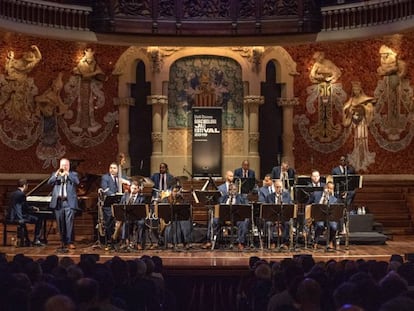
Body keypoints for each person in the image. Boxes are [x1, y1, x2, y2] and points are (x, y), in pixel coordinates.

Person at [48, 158, 80, 250]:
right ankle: (62, 241)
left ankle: (70, 242)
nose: (64, 167)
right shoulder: (55, 174)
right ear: (59, 166)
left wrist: (67, 174)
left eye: (66, 165)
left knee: (69, 223)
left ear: (69, 166)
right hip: (58, 202)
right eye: (62, 165)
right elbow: (49, 182)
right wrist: (57, 174)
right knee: (60, 223)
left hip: (69, 202)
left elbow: (77, 182)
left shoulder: (73, 174)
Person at [100, 162, 130, 248]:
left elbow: (131, 183)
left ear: (118, 170)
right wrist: (114, 194)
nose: (112, 170)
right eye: (111, 168)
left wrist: (125, 181)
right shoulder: (105, 177)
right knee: (109, 222)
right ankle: (110, 240)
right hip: (109, 204)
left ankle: (122, 240)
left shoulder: (121, 176)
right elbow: (105, 189)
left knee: (123, 221)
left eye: (114, 168)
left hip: (119, 204)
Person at [8, 178, 44, 246]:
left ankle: (27, 239)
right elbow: (25, 208)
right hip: (19, 216)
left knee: (27, 218)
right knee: (38, 219)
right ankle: (36, 239)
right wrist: (33, 208)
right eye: (27, 186)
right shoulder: (21, 195)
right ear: (25, 186)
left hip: (11, 216)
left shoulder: (12, 194)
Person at [307, 181, 339, 249]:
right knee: (320, 225)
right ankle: (315, 241)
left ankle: (330, 242)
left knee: (334, 227)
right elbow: (309, 205)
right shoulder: (316, 194)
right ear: (325, 187)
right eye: (328, 188)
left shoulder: (334, 199)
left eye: (331, 189)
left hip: (329, 217)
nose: (329, 190)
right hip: (318, 216)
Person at [218, 182, 250, 250]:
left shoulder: (242, 198)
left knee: (245, 221)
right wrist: (225, 219)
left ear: (237, 190)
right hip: (224, 218)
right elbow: (219, 209)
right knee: (213, 220)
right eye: (230, 189)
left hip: (237, 218)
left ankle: (240, 242)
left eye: (234, 189)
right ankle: (211, 241)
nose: (232, 191)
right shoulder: (222, 198)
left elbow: (246, 210)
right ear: (228, 190)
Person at [118, 180, 147, 250]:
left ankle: (139, 243)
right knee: (125, 222)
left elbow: (142, 210)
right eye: (132, 188)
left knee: (141, 223)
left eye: (135, 188)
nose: (133, 190)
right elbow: (120, 206)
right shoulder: (125, 196)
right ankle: (126, 242)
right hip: (128, 217)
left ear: (138, 189)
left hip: (138, 217)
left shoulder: (142, 198)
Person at [264, 179, 293, 249]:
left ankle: (285, 243)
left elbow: (290, 207)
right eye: (277, 187)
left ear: (282, 187)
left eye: (280, 187)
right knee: (268, 223)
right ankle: (272, 242)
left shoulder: (287, 196)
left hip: (284, 217)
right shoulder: (269, 197)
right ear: (274, 187)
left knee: (288, 223)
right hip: (272, 217)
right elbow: (267, 209)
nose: (278, 189)